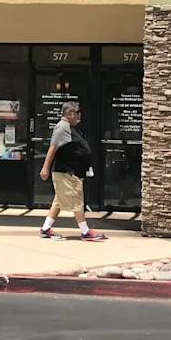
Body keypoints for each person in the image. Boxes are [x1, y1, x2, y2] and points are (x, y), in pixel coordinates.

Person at [39, 101, 105, 241]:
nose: (80, 115)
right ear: (69, 114)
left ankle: (45, 229)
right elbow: (53, 148)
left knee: (58, 201)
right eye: (77, 112)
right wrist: (45, 168)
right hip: (67, 172)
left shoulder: (70, 127)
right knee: (76, 200)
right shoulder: (62, 127)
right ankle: (85, 232)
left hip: (71, 172)